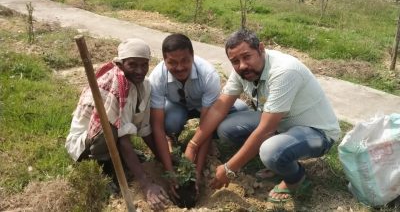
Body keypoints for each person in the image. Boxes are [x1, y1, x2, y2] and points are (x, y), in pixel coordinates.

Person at [185, 29, 340, 203]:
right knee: (227, 129)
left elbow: (266, 130)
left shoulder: (284, 71)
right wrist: (193, 144)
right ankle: (280, 159)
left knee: (271, 151)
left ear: (261, 49)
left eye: (247, 57)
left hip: (317, 134)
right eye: (235, 61)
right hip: (282, 123)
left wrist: (229, 168)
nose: (242, 65)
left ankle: (296, 178)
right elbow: (219, 109)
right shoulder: (243, 72)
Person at [65, 38, 169, 210]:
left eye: (144, 64)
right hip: (85, 143)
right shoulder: (113, 86)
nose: (139, 70)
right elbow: (123, 140)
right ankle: (105, 168)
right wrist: (145, 185)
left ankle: (118, 159)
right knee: (111, 130)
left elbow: (145, 129)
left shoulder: (145, 86)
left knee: (119, 134)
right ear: (121, 64)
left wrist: (164, 162)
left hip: (117, 139)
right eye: (132, 65)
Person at [148, 33, 248, 196]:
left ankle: (209, 144)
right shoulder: (156, 78)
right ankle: (171, 139)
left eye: (185, 61)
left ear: (193, 56)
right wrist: (170, 172)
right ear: (164, 60)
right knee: (170, 122)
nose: (179, 67)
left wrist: (197, 171)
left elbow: (206, 122)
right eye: (172, 62)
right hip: (177, 106)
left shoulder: (208, 74)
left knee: (241, 110)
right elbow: (157, 126)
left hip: (205, 108)